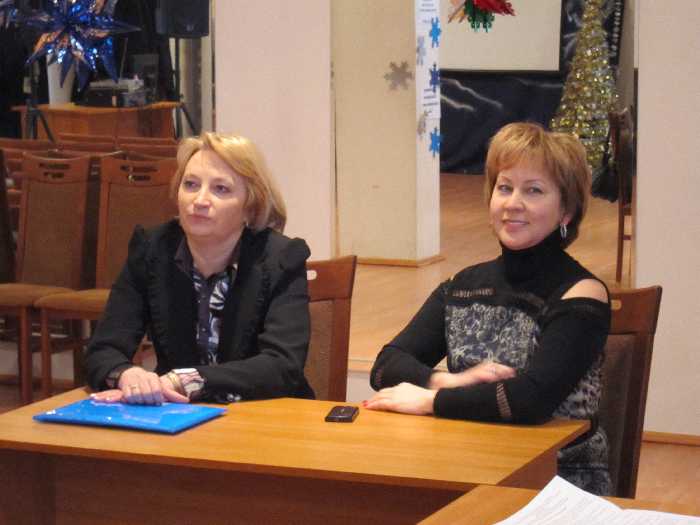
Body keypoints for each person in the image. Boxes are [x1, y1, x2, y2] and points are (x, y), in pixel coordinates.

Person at [365, 122, 612, 495]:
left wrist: (431, 400)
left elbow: (529, 400)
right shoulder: (462, 285)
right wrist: (446, 380)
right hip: (465, 469)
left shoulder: (583, 293)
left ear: (566, 211)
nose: (513, 203)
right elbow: (385, 366)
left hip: (557, 485)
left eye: (533, 190)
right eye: (505, 187)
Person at [87, 132, 314, 405]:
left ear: (250, 207)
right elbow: (104, 349)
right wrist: (127, 374)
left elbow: (282, 366)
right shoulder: (152, 249)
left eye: (221, 189)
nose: (200, 200)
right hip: (177, 414)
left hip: (261, 414)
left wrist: (187, 379)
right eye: (191, 185)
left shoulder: (281, 258)